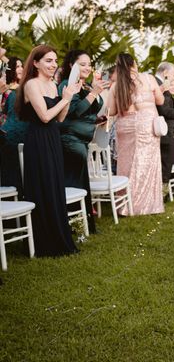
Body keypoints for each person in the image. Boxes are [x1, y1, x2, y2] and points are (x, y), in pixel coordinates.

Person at [15, 45, 81, 257]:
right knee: (43, 184)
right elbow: (44, 117)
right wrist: (65, 98)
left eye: (55, 61)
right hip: (38, 140)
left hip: (53, 138)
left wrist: (67, 97)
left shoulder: (53, 85)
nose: (53, 65)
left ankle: (59, 237)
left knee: (54, 184)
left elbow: (59, 118)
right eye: (48, 61)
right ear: (35, 63)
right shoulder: (31, 85)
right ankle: (44, 242)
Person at [58, 50, 109, 234]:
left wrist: (97, 119)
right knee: (74, 184)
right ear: (72, 65)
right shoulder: (67, 85)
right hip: (70, 141)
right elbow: (73, 112)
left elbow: (86, 113)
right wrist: (94, 92)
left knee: (80, 184)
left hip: (82, 140)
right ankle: (73, 226)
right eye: (82, 64)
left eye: (89, 64)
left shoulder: (84, 86)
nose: (87, 67)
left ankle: (82, 225)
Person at [108, 53, 164, 216]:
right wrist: (158, 92)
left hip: (125, 126)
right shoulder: (148, 79)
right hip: (147, 124)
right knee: (146, 164)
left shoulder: (117, 85)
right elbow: (160, 101)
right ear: (134, 64)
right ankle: (146, 205)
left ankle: (125, 204)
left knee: (126, 164)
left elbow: (111, 111)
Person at [0, 57, 28, 194]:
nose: (21, 69)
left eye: (22, 65)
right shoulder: (6, 89)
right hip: (11, 134)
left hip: (25, 132)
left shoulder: (27, 87)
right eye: (17, 66)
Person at [154, 62, 174, 186]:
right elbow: (163, 109)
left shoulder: (157, 83)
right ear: (165, 73)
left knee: (164, 163)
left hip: (164, 129)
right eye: (172, 74)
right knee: (165, 164)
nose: (173, 78)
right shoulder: (159, 85)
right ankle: (162, 194)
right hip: (163, 130)